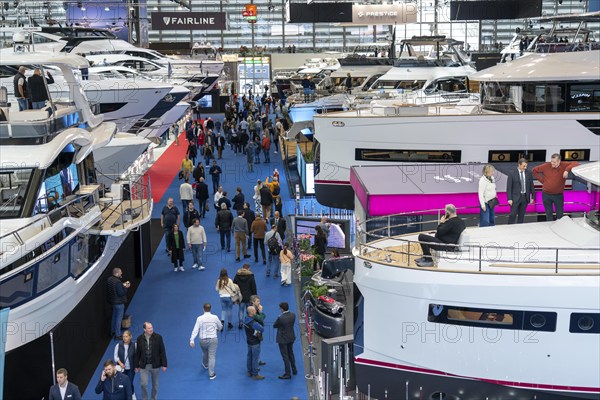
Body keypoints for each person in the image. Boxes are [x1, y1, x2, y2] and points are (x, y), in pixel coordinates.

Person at [532, 153, 580, 221]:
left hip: (558, 195)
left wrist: (566, 170)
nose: (552, 163)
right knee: (548, 214)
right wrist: (543, 181)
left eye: (554, 162)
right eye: (551, 161)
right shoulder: (546, 166)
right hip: (546, 195)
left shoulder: (564, 165)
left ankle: (559, 228)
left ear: (559, 161)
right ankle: (550, 227)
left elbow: (576, 163)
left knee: (560, 214)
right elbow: (534, 170)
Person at [134, 322, 167, 400]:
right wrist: (136, 366)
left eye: (151, 327)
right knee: (143, 384)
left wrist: (164, 364)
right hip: (144, 366)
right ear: (144, 329)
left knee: (155, 385)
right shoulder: (139, 338)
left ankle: (153, 398)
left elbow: (162, 351)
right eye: (149, 328)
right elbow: (137, 352)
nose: (151, 329)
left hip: (155, 365)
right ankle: (145, 398)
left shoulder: (158, 337)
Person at [189, 303, 222, 380]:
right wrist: (218, 329)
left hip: (202, 340)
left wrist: (192, 340)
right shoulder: (215, 317)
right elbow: (220, 326)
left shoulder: (199, 318)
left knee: (205, 352)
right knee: (212, 356)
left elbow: (195, 329)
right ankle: (211, 374)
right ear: (210, 309)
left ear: (203, 309)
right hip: (213, 339)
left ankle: (205, 364)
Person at [506, 158, 535, 224]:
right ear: (519, 165)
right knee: (512, 215)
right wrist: (509, 198)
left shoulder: (529, 173)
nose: (525, 167)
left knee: (521, 215)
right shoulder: (512, 173)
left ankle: (519, 229)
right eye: (524, 166)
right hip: (515, 198)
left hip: (525, 197)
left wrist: (533, 197)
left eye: (526, 166)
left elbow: (531, 186)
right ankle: (509, 228)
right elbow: (509, 187)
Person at [273, 302, 298, 379]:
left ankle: (287, 373)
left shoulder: (281, 318)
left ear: (282, 309)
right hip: (291, 337)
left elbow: (275, 325)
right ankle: (294, 369)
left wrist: (279, 318)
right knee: (291, 353)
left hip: (283, 339)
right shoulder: (293, 315)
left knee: (285, 356)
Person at [107, 267, 130, 340]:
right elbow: (121, 293)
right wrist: (126, 287)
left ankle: (113, 331)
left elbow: (114, 289)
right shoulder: (118, 282)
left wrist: (121, 286)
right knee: (118, 318)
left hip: (113, 302)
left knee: (114, 317)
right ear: (117, 273)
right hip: (119, 303)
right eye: (120, 272)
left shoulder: (109, 279)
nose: (121, 273)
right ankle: (118, 334)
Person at [244, 306, 265, 380]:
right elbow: (262, 328)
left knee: (249, 356)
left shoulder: (246, 319)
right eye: (255, 311)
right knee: (255, 358)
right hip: (255, 342)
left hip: (249, 341)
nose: (256, 312)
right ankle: (255, 374)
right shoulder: (253, 323)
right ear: (252, 312)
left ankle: (249, 371)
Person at [234, 263, 257, 330]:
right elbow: (253, 286)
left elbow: (234, 285)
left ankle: (240, 323)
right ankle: (248, 322)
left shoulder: (237, 275)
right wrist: (255, 295)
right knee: (249, 310)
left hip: (240, 296)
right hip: (249, 296)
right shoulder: (251, 276)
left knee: (241, 310)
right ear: (248, 268)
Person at [114, 331, 136, 398]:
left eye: (126, 336)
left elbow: (137, 356)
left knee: (130, 382)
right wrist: (120, 363)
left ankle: (132, 394)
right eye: (123, 336)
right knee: (122, 383)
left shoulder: (135, 345)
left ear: (130, 337)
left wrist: (137, 366)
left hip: (131, 369)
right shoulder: (118, 345)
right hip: (122, 369)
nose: (125, 338)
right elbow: (115, 356)